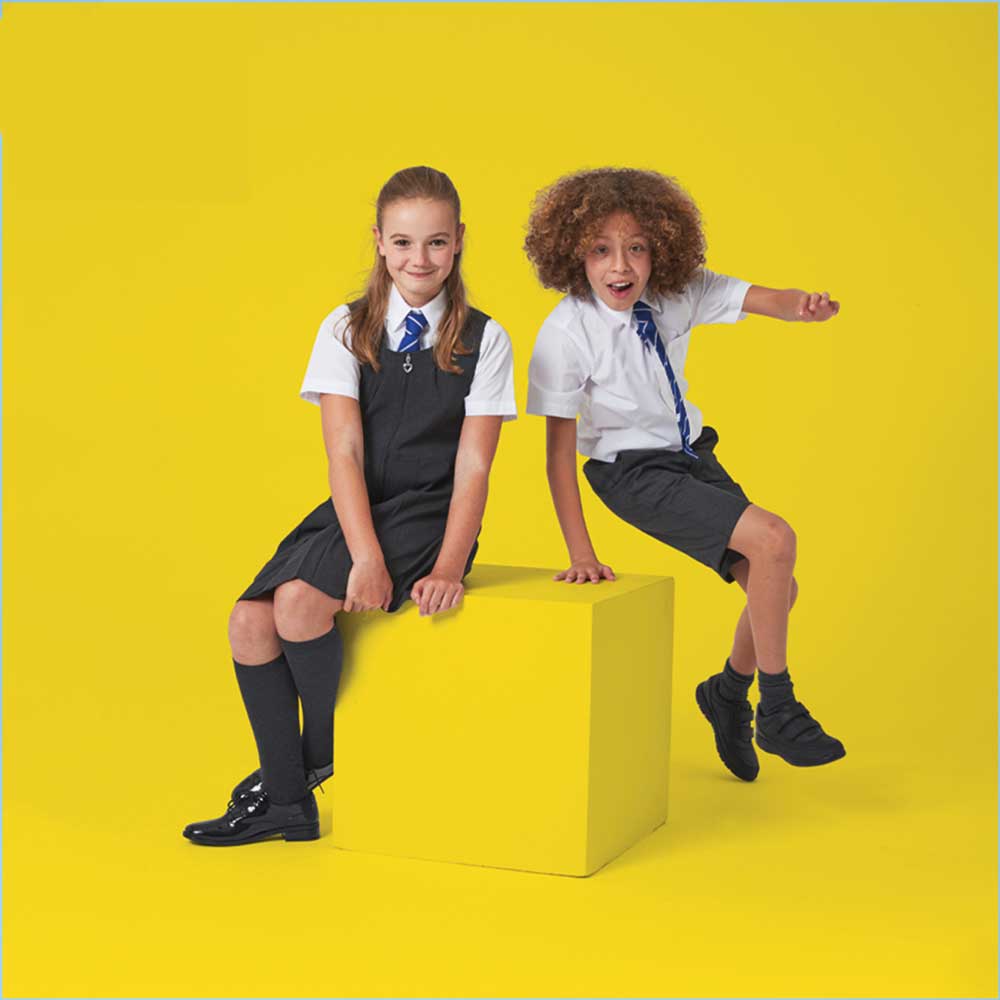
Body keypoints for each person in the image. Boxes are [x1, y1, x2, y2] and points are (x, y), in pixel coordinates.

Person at [183, 166, 516, 845]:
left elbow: (475, 465)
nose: (419, 259)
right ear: (379, 241)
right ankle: (290, 805)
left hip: (431, 514)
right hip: (360, 504)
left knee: (298, 604)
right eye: (403, 242)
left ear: (459, 241)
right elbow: (344, 450)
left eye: (436, 242)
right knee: (248, 622)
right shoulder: (345, 326)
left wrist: (449, 565)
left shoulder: (487, 338)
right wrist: (364, 554)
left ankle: (314, 760)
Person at [523, 166, 845, 783]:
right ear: (572, 254)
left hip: (691, 453)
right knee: (775, 538)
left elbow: (763, 298)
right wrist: (581, 552)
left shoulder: (678, 293)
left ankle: (727, 694)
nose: (621, 266)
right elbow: (557, 456)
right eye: (600, 250)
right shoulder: (565, 334)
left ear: (661, 250)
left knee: (777, 588)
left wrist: (801, 307)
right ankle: (777, 708)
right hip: (630, 471)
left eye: (637, 248)